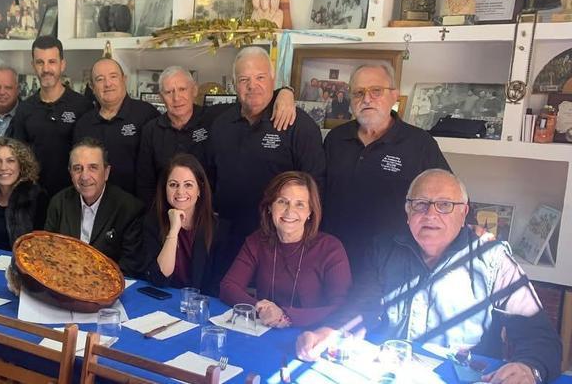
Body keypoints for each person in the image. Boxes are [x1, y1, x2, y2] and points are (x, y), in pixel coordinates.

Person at [296, 169, 561, 384]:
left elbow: (539, 336)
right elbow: (359, 310)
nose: (430, 214)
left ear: (463, 212)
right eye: (420, 204)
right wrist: (330, 332)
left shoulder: (491, 260)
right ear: (408, 211)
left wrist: (530, 368)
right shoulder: (383, 248)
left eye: (444, 205)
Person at [322, 64, 450, 275]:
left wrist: (470, 230)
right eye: (359, 93)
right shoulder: (336, 139)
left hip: (392, 265)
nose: (367, 99)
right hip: (336, 258)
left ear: (394, 96)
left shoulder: (419, 143)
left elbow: (447, 193)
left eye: (376, 91)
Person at [207, 46, 325, 261]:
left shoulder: (298, 125)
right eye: (244, 80)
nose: (253, 86)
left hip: (278, 239)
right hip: (227, 236)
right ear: (234, 85)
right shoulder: (220, 124)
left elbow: (315, 186)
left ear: (273, 80)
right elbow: (211, 176)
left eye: (260, 77)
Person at [136, 65, 297, 207]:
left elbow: (251, 98)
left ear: (195, 90)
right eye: (169, 92)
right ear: (160, 97)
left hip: (209, 213)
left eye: (182, 89)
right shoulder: (152, 130)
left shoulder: (215, 117)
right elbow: (145, 182)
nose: (177, 98)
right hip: (167, 211)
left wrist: (285, 92)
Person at [220, 171, 351, 328]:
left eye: (300, 204)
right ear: (270, 207)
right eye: (282, 202)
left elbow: (342, 307)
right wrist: (260, 308)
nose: (289, 211)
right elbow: (228, 286)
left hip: (312, 335)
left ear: (310, 212)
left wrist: (286, 315)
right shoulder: (257, 240)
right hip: (264, 329)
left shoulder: (330, 248)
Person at [44, 138, 145, 276]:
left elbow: (129, 267)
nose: (85, 176)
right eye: (77, 168)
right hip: (64, 281)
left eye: (93, 167)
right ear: (70, 173)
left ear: (106, 172)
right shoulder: (58, 203)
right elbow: (48, 253)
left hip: (107, 288)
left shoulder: (129, 208)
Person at [11, 36, 93, 197]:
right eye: (40, 62)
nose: (46, 68)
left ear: (62, 64)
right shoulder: (25, 109)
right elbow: (18, 156)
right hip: (33, 197)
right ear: (33, 66)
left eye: (52, 62)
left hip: (73, 197)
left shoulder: (82, 106)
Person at [142, 154, 229, 296]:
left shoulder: (219, 229)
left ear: (199, 189)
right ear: (165, 189)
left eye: (188, 184)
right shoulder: (152, 224)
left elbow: (216, 287)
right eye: (173, 185)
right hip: (164, 305)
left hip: (200, 306)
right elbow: (159, 279)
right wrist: (174, 230)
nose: (180, 192)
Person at [73, 57, 160, 196]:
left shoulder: (147, 115)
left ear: (124, 79)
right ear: (92, 87)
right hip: (97, 209)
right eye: (100, 79)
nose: (108, 84)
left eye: (113, 76)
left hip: (138, 207)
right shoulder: (84, 124)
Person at [0, 137, 49, 250]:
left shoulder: (36, 197)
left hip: (21, 265)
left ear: (21, 165)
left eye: (10, 161)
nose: (3, 167)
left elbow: (40, 246)